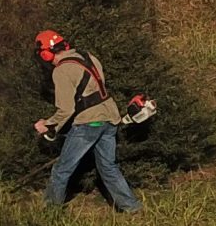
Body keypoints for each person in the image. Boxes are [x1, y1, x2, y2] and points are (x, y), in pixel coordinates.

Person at [34, 28, 142, 213]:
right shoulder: (88, 56)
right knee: (108, 167)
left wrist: (47, 125)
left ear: (45, 54)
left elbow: (66, 109)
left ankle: (50, 213)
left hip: (88, 123)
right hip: (110, 118)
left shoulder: (61, 71)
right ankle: (132, 208)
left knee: (61, 170)